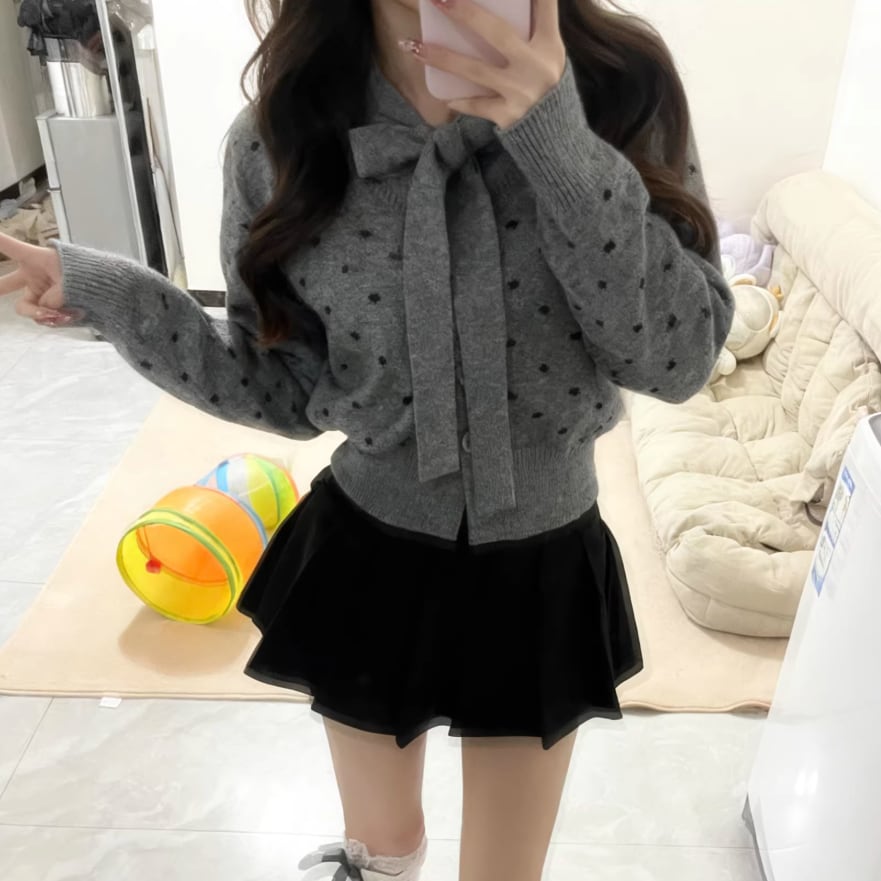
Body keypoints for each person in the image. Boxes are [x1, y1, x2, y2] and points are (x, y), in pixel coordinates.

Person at [0, 0, 734, 878]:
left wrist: (557, 143)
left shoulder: (623, 87)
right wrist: (118, 296)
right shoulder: (280, 134)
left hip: (541, 564)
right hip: (367, 551)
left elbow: (677, 361)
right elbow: (281, 385)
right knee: (375, 855)